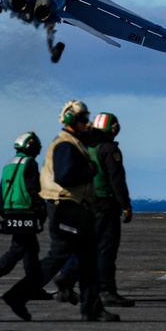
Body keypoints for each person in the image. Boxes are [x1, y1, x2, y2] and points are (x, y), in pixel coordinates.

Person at [2, 100, 118, 323]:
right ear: (70, 120)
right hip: (65, 207)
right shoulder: (66, 144)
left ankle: (91, 308)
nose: (88, 123)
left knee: (88, 258)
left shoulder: (74, 141)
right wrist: (90, 170)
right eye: (84, 119)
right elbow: (64, 176)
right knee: (58, 257)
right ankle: (17, 295)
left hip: (70, 207)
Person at [54, 113, 135, 308]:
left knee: (85, 247)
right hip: (105, 204)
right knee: (106, 249)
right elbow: (116, 179)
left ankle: (66, 281)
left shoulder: (83, 145)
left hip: (83, 202)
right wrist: (125, 205)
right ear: (112, 129)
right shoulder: (109, 149)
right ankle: (106, 290)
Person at [0, 132, 45, 301]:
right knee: (18, 250)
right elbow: (32, 188)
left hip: (10, 211)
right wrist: (40, 207)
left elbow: (1, 191)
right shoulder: (30, 163)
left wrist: (1, 210)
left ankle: (34, 287)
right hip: (25, 210)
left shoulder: (9, 164)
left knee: (30, 250)